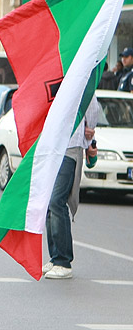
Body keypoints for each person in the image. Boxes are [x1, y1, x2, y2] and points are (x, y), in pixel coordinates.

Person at [43, 98, 100, 280]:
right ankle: (55, 256)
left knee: (56, 201)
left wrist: (88, 137)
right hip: (52, 147)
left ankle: (63, 261)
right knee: (50, 204)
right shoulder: (55, 79)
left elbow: (91, 109)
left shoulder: (80, 76)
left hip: (70, 147)